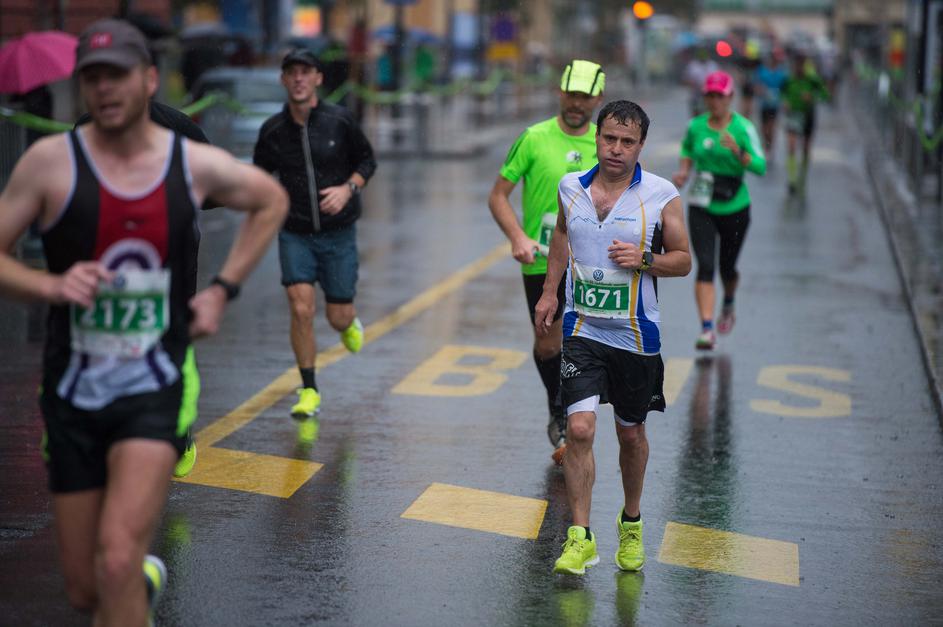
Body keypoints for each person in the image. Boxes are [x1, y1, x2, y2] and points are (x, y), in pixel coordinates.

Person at [0, 18, 287, 626]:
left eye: (118, 75)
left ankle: (130, 572)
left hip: (153, 378)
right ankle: (139, 580)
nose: (105, 88)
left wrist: (221, 292)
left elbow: (270, 199)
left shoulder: (186, 158)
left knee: (116, 558)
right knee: (84, 587)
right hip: (73, 382)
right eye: (93, 77)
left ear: (149, 79)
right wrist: (49, 285)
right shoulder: (52, 161)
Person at [535, 100, 691, 575]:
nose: (616, 149)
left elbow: (683, 260)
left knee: (631, 433)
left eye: (627, 142)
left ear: (641, 146)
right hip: (582, 328)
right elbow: (561, 235)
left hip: (635, 336)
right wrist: (549, 292)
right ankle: (579, 537)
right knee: (580, 429)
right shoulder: (571, 187)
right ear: (597, 138)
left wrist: (645, 259)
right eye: (609, 139)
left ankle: (632, 521)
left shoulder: (661, 195)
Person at [78, 99, 215, 479]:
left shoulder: (176, 126)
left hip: (172, 254)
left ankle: (178, 432)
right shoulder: (85, 128)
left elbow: (217, 189)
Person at [253, 48, 376, 442]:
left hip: (338, 233)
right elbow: (259, 179)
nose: (299, 79)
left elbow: (367, 160)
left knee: (337, 317)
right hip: (295, 234)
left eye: (306, 72)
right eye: (292, 72)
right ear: (283, 80)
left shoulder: (340, 120)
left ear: (318, 79)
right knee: (301, 308)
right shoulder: (273, 131)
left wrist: (348, 188)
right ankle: (308, 388)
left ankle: (348, 323)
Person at [488, 59, 605, 465]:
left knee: (589, 343)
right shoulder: (534, 138)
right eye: (571, 94)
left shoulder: (606, 143)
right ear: (560, 92)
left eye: (584, 97)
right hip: (541, 261)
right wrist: (518, 237)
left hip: (592, 263)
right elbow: (498, 195)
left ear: (598, 99)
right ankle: (559, 410)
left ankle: (571, 420)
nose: (576, 103)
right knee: (548, 343)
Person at [672, 71, 767, 351]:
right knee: (705, 265)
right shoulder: (696, 126)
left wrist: (738, 152)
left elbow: (760, 166)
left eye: (719, 96)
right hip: (701, 204)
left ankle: (728, 302)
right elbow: (687, 149)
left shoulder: (743, 128)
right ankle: (706, 328)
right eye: (709, 96)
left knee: (727, 268)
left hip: (735, 205)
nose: (714, 101)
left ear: (730, 97)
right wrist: (684, 171)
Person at [782, 52, 829, 194]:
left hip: (808, 115)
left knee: (806, 148)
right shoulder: (789, 79)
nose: (799, 68)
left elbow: (825, 95)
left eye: (801, 65)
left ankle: (802, 174)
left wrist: (812, 97)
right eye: (796, 65)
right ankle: (792, 179)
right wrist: (785, 101)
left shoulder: (813, 80)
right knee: (791, 146)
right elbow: (782, 92)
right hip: (793, 115)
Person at [754, 50, 789, 156]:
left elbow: (785, 89)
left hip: (775, 105)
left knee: (771, 127)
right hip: (764, 104)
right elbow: (756, 85)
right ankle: (766, 145)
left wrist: (785, 101)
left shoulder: (781, 73)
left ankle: (770, 148)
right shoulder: (762, 71)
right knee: (764, 128)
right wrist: (760, 90)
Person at [683, 47, 719, 117]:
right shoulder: (693, 65)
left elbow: (718, 78)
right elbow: (686, 79)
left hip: (709, 93)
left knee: (709, 112)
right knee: (696, 111)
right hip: (696, 93)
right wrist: (694, 84)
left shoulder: (712, 65)